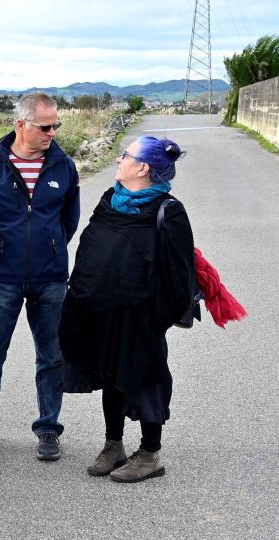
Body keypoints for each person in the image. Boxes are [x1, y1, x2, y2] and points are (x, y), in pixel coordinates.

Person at [60, 136, 194, 482]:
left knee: (146, 379)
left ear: (142, 168)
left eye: (126, 156)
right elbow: (93, 246)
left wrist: (158, 318)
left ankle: (150, 453)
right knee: (110, 377)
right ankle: (113, 444)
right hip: (101, 310)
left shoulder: (169, 211)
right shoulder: (111, 200)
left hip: (142, 316)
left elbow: (179, 274)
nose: (119, 159)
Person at [0, 92, 80, 462]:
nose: (52, 133)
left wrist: (50, 248)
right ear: (21, 125)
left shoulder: (64, 166)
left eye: (55, 126)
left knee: (52, 357)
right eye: (45, 127)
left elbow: (69, 220)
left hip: (50, 279)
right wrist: (0, 248)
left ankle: (48, 428)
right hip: (1, 277)